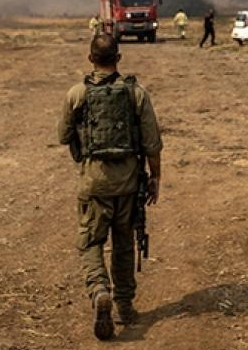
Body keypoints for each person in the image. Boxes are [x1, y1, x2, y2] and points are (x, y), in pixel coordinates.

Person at [58, 34, 162, 340]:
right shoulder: (136, 94)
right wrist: (155, 178)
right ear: (118, 58)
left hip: (94, 183)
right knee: (124, 244)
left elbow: (63, 135)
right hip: (129, 184)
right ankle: (124, 307)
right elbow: (153, 143)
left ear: (91, 59)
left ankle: (99, 289)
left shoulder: (77, 94)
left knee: (91, 242)